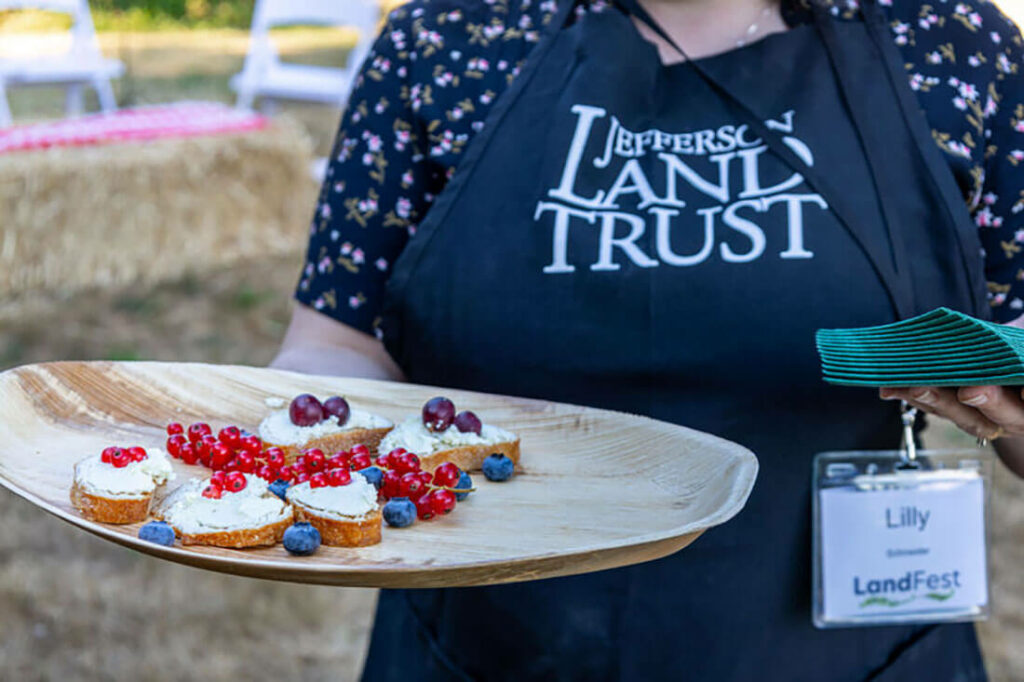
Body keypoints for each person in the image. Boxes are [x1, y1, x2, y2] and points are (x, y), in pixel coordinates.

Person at [272, 0, 1024, 679]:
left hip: (852, 649)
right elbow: (338, 345)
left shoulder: (954, 47)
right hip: (482, 645)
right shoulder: (442, 43)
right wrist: (280, 447)